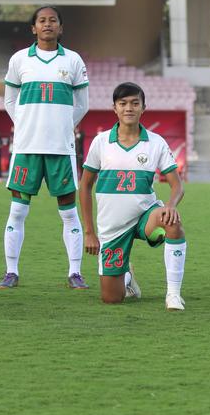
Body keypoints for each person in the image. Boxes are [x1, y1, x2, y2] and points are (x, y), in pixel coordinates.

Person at [0, 6, 90, 290]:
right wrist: (27, 125)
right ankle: (11, 271)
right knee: (18, 211)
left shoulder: (73, 60)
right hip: (27, 147)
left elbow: (82, 105)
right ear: (33, 28)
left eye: (53, 20)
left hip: (61, 149)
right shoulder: (19, 59)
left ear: (61, 28)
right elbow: (10, 102)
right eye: (41, 20)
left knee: (69, 212)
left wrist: (59, 126)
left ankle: (75, 272)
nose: (47, 24)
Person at [79, 82, 187, 310]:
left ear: (143, 108)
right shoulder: (100, 142)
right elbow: (85, 186)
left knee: (173, 222)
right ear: (114, 108)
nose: (129, 108)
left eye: (135, 103)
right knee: (111, 299)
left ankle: (173, 295)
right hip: (112, 228)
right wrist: (89, 232)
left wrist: (170, 205)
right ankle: (126, 277)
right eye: (123, 103)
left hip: (145, 217)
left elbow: (177, 186)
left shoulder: (156, 142)